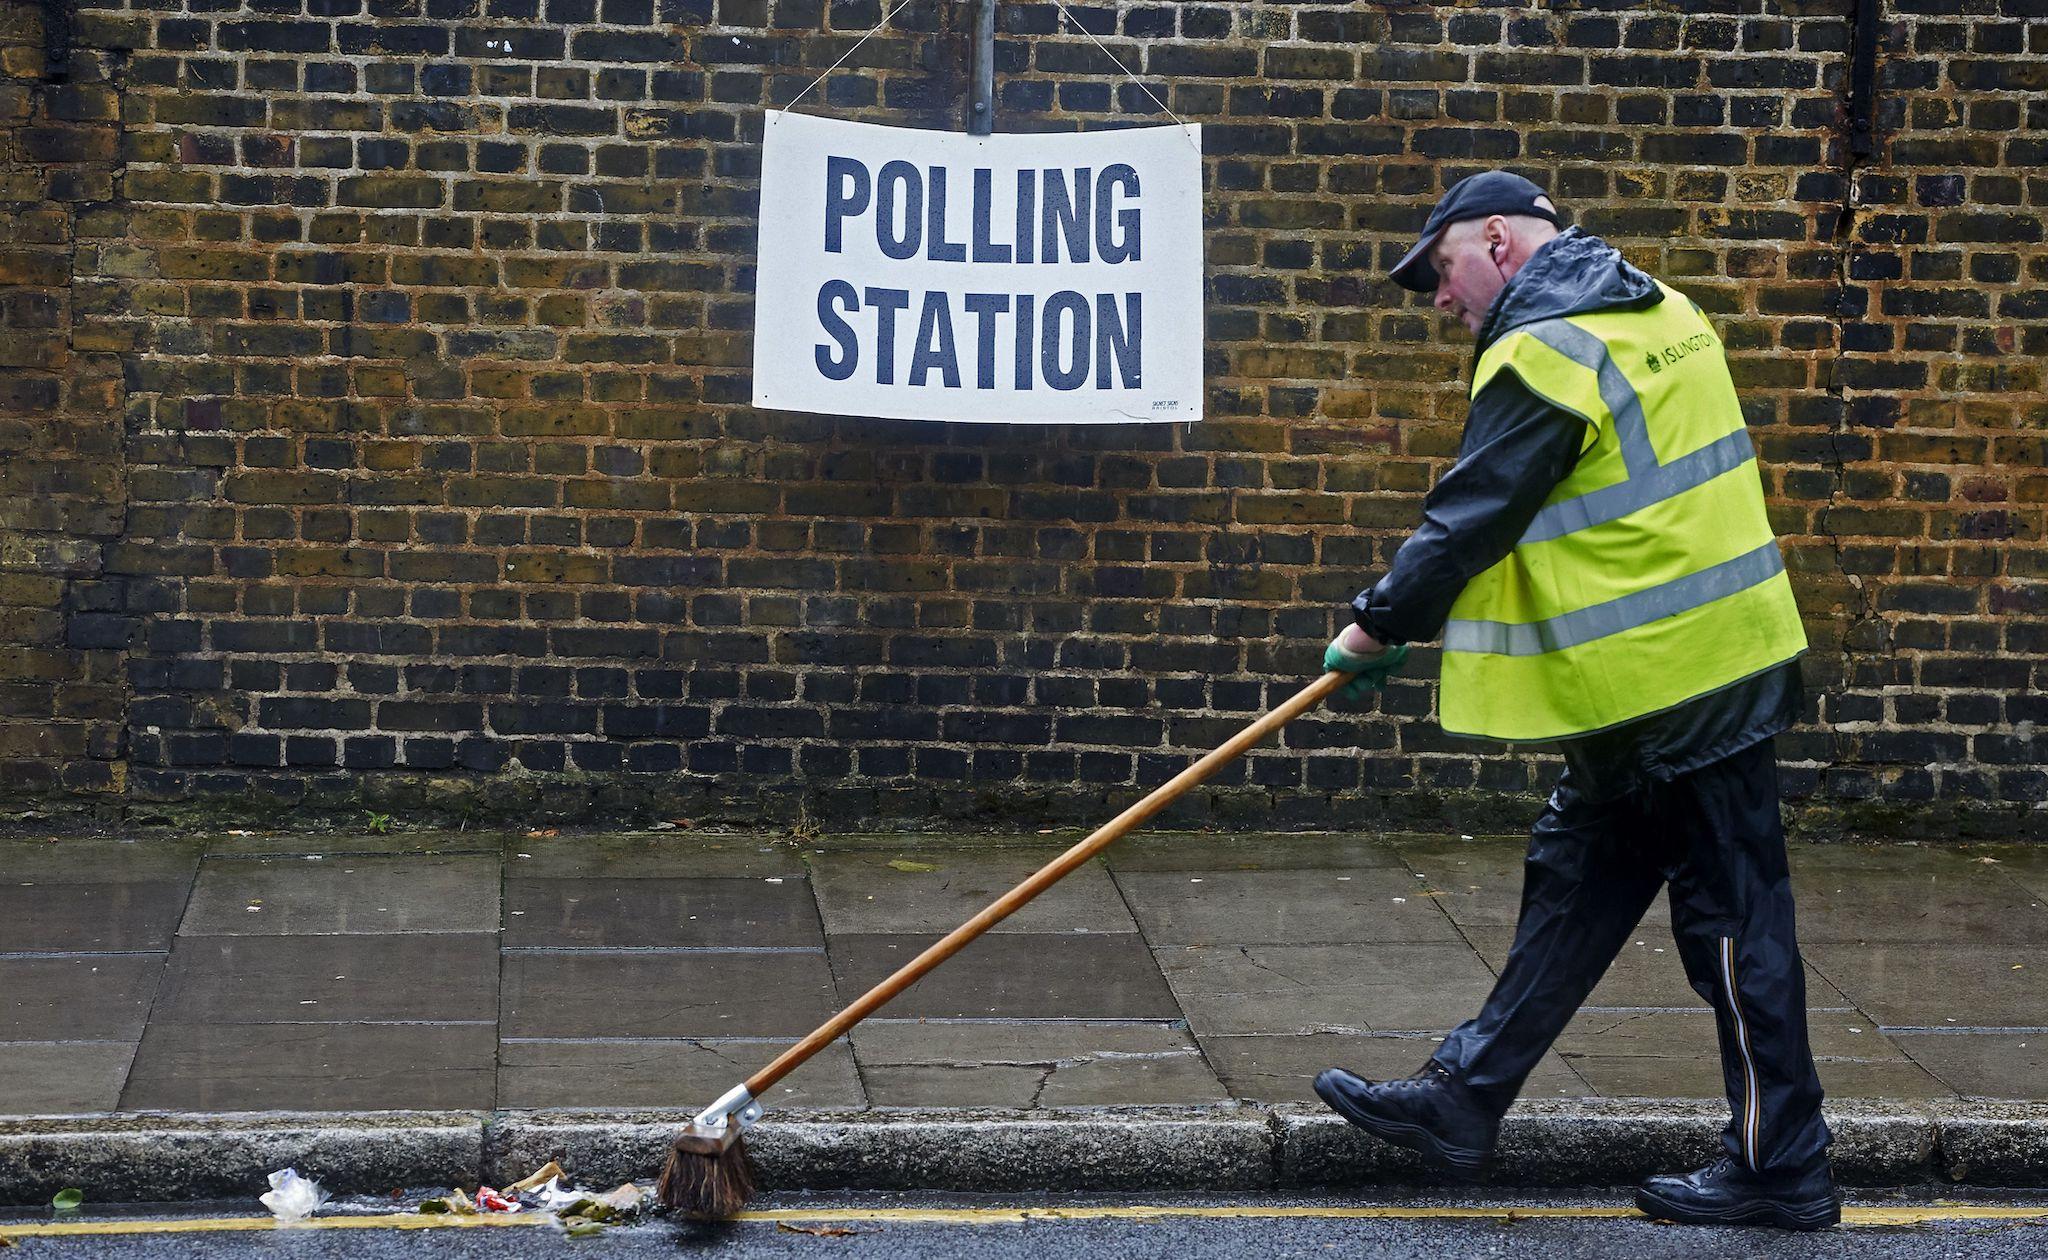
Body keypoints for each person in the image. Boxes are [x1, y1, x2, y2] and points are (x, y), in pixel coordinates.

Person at [1312, 171, 1839, 1232]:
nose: (1433, 297)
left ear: (1498, 241)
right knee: (1575, 884)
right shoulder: (1659, 310)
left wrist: (1374, 625)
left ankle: (1781, 1164)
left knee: (1731, 922)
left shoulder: (1543, 347)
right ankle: (1463, 1098)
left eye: (1439, 269)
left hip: (1684, 679)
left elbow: (1473, 515)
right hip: (1658, 674)